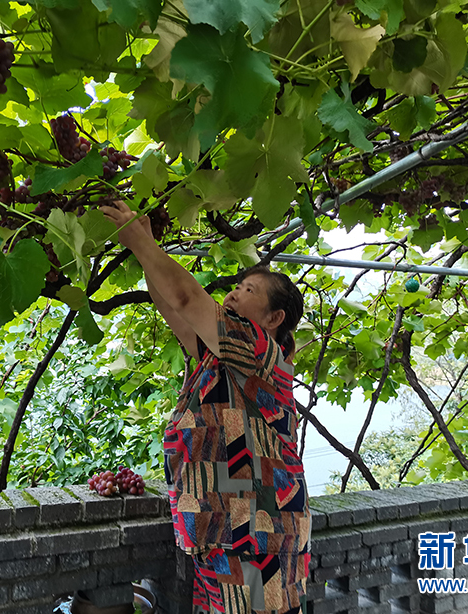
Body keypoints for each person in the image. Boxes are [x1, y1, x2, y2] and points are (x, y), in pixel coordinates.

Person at [101, 200, 311, 614]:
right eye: (236, 287)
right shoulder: (225, 356)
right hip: (226, 527)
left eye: (248, 291)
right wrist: (147, 247)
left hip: (259, 530)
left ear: (274, 318)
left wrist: (141, 243)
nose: (233, 292)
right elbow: (173, 307)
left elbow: (185, 296)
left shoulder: (260, 349)